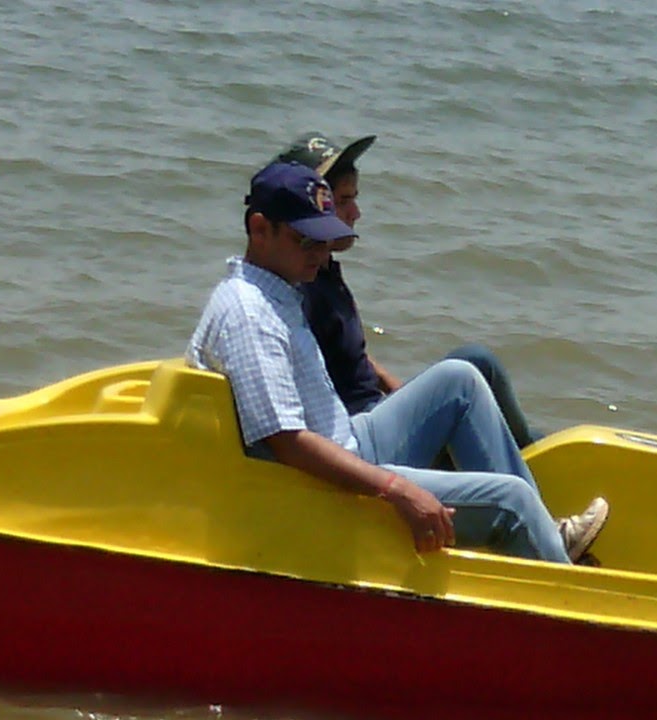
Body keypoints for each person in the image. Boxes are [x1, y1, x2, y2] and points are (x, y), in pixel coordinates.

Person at [185, 161, 606, 563]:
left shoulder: (278, 290)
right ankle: (549, 565)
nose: (321, 252)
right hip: (322, 486)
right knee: (511, 501)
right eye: (307, 241)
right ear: (260, 229)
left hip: (348, 438)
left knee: (460, 379)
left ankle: (542, 537)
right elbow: (289, 443)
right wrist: (395, 488)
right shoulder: (251, 315)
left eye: (325, 239)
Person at [274, 132, 541, 450]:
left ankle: (530, 451)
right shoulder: (301, 286)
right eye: (343, 202)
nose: (356, 213)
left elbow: (351, 355)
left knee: (487, 397)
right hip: (360, 433)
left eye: (354, 198)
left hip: (377, 410)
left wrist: (396, 389)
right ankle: (530, 458)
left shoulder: (323, 270)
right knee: (476, 363)